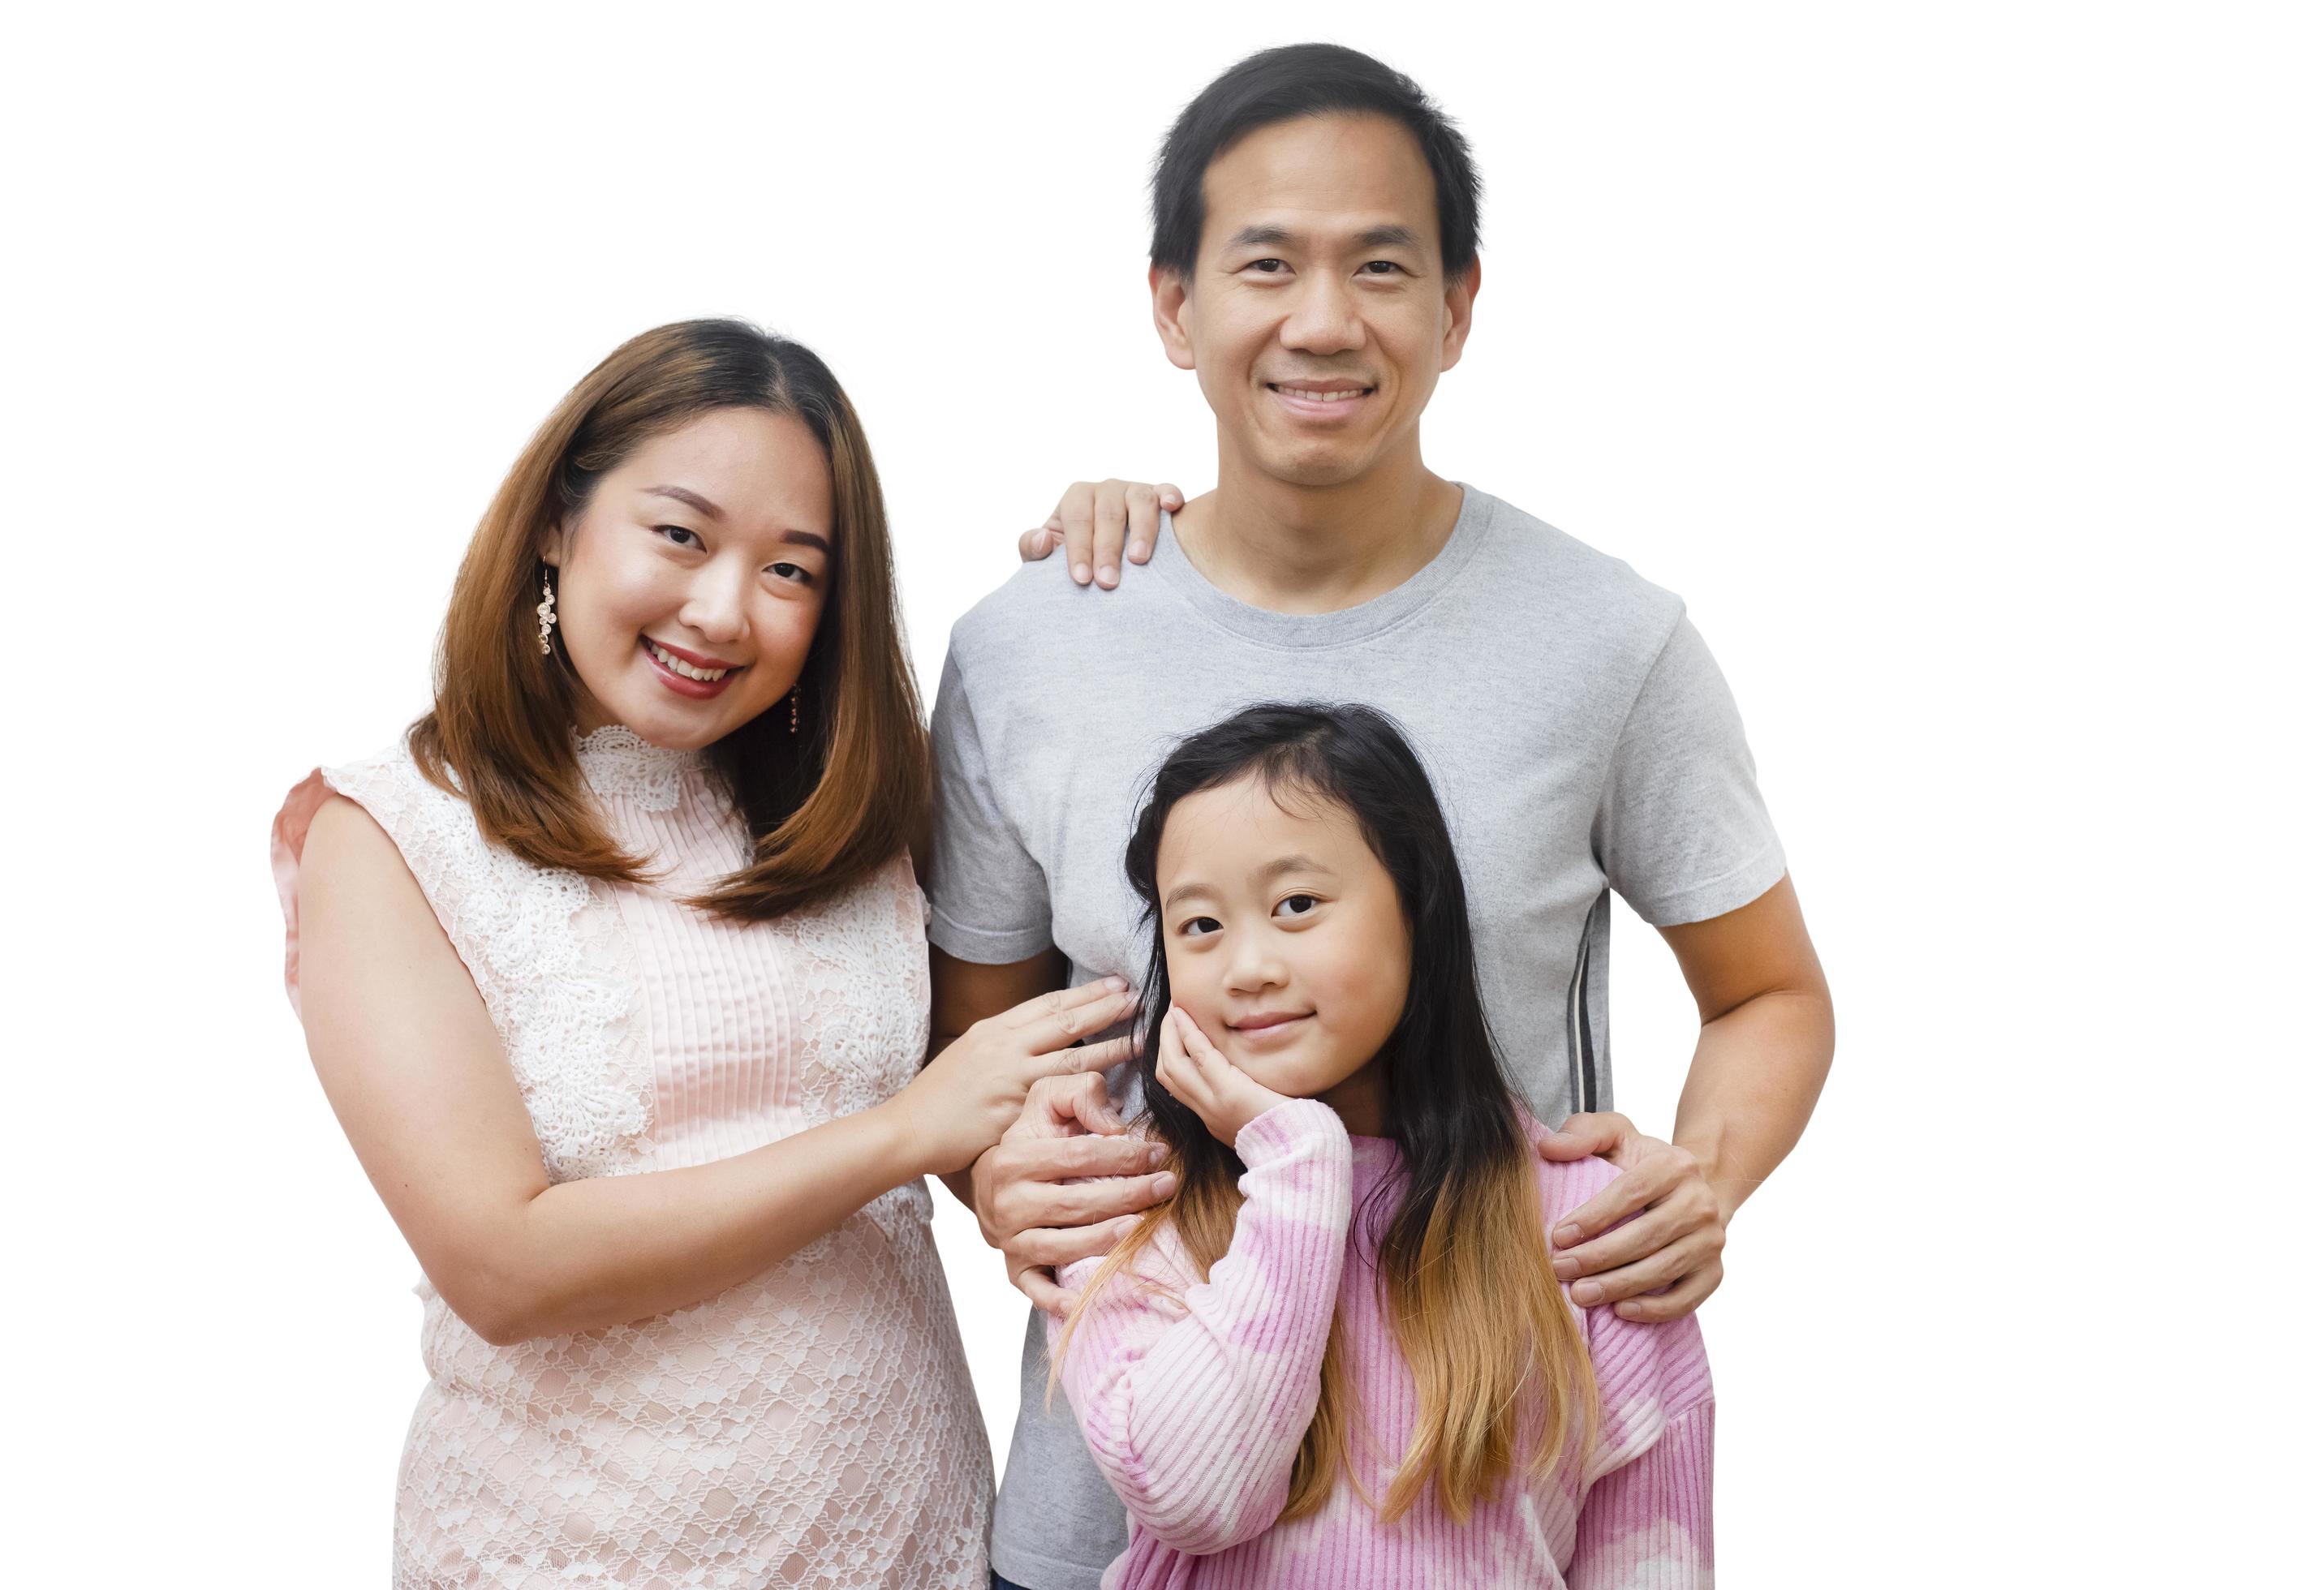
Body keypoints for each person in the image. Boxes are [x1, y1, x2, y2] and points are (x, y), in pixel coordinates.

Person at [927, 44, 1832, 1590]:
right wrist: (994, 1171)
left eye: (1383, 268)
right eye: (1266, 264)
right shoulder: (1029, 643)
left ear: (1460, 308)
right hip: (1109, 1516)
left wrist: (1706, 1174)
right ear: (1174, 306)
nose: (1324, 321)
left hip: (1485, 1499)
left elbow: (1769, 994)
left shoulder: (1608, 641)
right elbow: (968, 1055)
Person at [269, 318, 1164, 1587]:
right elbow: (504, 1267)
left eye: (793, 571)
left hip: (911, 1532)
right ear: (554, 521)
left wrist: (1140, 549)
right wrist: (909, 1133)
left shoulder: (849, 812)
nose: (724, 611)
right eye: (680, 535)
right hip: (580, 1551)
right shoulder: (391, 837)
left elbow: (990, 1083)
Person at [1050, 703, 1713, 1587]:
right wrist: (1296, 1160)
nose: (1247, 965)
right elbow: (1195, 1499)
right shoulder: (1128, 1215)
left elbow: (1654, 1559)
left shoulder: (1592, 1223)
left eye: (1296, 905)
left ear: (1417, 908)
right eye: (1200, 925)